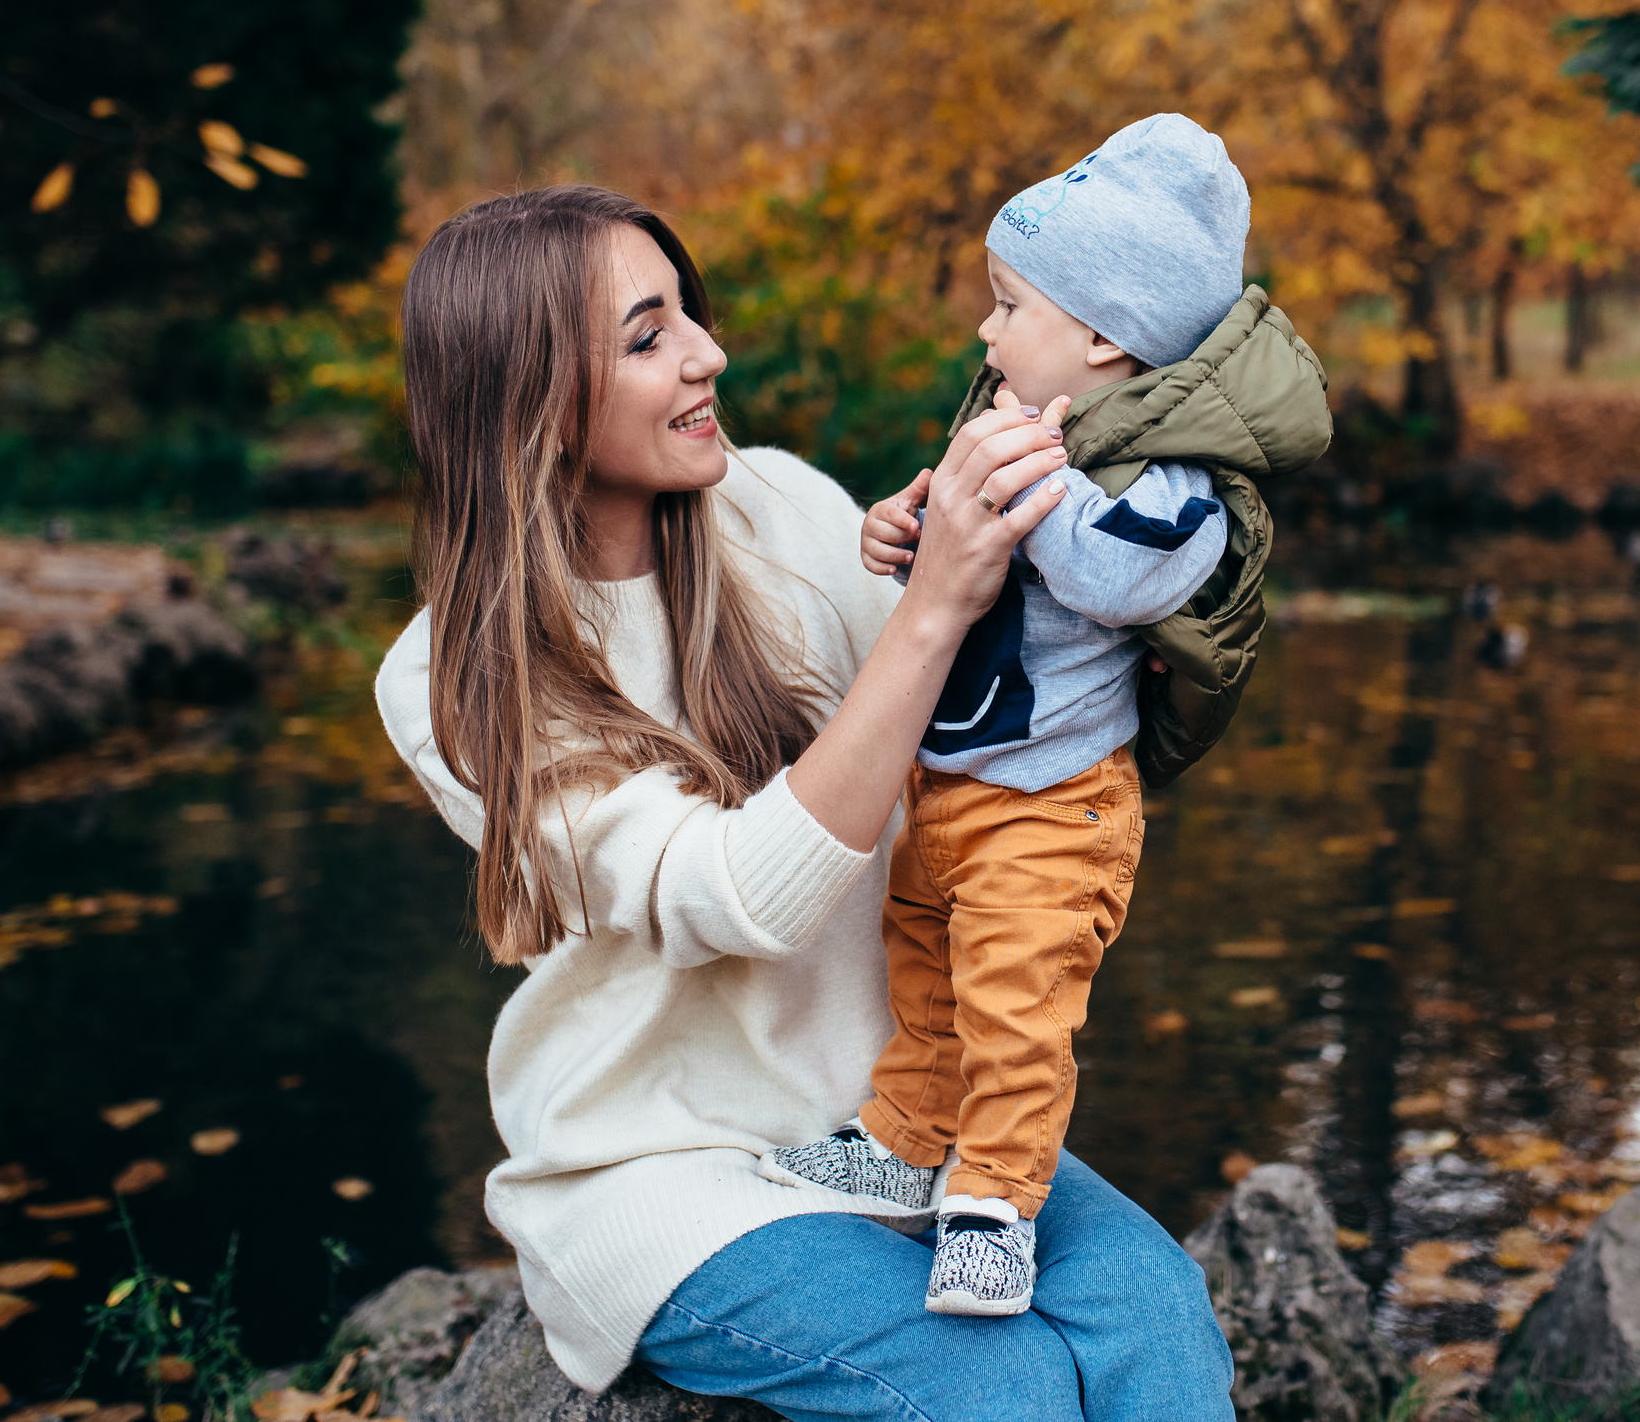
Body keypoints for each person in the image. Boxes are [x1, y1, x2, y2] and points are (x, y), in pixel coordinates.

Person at [373, 183, 1235, 1420]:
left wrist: (1127, 624)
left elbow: (973, 744)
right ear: (529, 399)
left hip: (903, 1111)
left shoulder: (776, 501)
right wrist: (933, 604)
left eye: (689, 314)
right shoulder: (451, 676)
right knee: (1001, 1387)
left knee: (1161, 1327)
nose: (708, 354)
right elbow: (731, 896)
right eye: (649, 335)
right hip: (664, 1164)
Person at [756, 115, 1332, 1316]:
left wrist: (1032, 488)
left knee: (1017, 1006)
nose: (985, 328)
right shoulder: (1026, 426)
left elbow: (1122, 575)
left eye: (1009, 304)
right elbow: (952, 547)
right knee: (925, 973)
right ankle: (905, 1142)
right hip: (949, 781)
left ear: (1104, 336)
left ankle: (994, 1206)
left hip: (1054, 807)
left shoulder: (1173, 476)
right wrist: (906, 527)